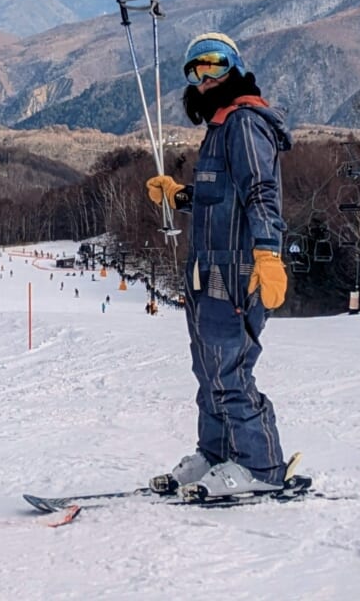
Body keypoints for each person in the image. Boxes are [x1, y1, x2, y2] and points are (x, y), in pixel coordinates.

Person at [145, 32, 292, 499]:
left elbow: (260, 193)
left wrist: (268, 254)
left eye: (213, 66)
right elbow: (220, 199)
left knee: (229, 372)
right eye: (195, 71)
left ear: (235, 67)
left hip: (237, 271)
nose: (204, 80)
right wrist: (180, 196)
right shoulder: (220, 127)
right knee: (207, 372)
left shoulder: (246, 124)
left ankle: (262, 466)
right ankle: (216, 452)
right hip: (206, 270)